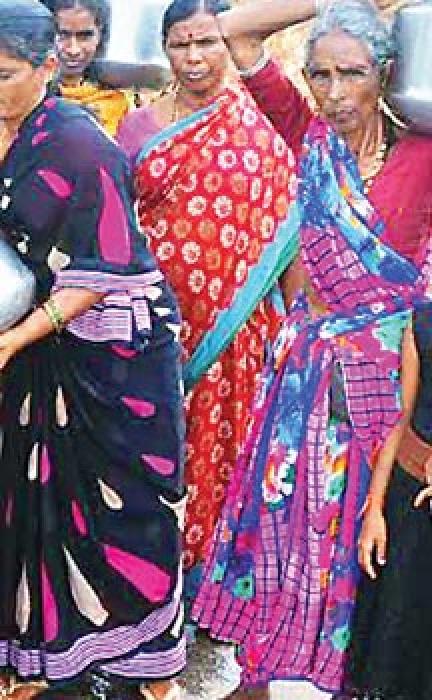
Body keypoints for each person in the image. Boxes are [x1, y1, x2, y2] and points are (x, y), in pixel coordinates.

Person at [0, 2, 187, 698]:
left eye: (3, 73)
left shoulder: (82, 145)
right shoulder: (11, 136)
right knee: (36, 499)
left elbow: (99, 269)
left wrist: (10, 341)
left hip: (113, 363)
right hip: (44, 349)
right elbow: (27, 237)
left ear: (47, 68)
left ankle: (150, 665)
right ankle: (42, 655)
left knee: (125, 510)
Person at [192, 1, 432, 696]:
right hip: (304, 374)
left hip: (387, 380)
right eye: (319, 74)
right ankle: (260, 670)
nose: (332, 93)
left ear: (386, 75)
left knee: (362, 520)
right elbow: (237, 27)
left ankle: (348, 673)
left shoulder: (422, 155)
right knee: (281, 513)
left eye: (351, 74)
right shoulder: (308, 136)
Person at [113, 0, 297, 584]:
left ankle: (216, 586)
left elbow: (289, 225)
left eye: (208, 43)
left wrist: (292, 323)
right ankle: (153, 583)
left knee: (231, 453)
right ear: (162, 49)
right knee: (156, 453)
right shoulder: (140, 124)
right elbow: (120, 222)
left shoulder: (257, 111)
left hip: (241, 326)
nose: (194, 58)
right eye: (180, 44)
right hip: (160, 320)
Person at [347, 301, 432, 700]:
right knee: (389, 640)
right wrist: (375, 509)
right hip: (407, 500)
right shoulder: (423, 320)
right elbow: (400, 417)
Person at [42, 0, 131, 135]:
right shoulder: (25, 95)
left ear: (100, 36)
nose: (73, 50)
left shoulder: (116, 101)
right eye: (63, 35)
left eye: (85, 36)